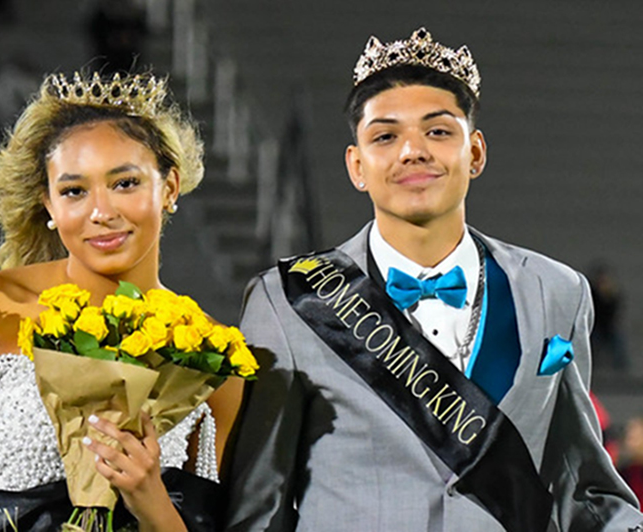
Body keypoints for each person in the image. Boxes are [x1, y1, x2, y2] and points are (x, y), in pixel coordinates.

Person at [225, 28, 643, 532]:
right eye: (385, 136)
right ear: (356, 166)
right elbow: (258, 510)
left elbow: (585, 489)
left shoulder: (557, 292)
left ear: (476, 153)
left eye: (438, 132)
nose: (412, 151)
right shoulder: (285, 302)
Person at [0, 70, 242, 531]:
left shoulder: (213, 360)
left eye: (125, 183)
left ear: (169, 187)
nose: (101, 212)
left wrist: (147, 495)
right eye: (74, 190)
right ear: (49, 205)